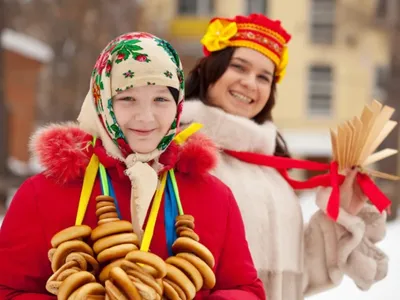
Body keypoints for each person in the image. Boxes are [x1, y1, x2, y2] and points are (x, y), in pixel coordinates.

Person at [0, 32, 265, 299]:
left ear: (178, 105)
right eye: (128, 98)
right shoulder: (44, 193)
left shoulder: (214, 196)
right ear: (102, 101)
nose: (145, 116)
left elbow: (246, 290)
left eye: (161, 99)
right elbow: (7, 290)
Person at [181, 13, 389, 300]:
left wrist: (338, 213)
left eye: (263, 77)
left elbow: (301, 277)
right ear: (210, 69)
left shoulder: (272, 175)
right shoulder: (181, 153)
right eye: (239, 68)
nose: (250, 83)